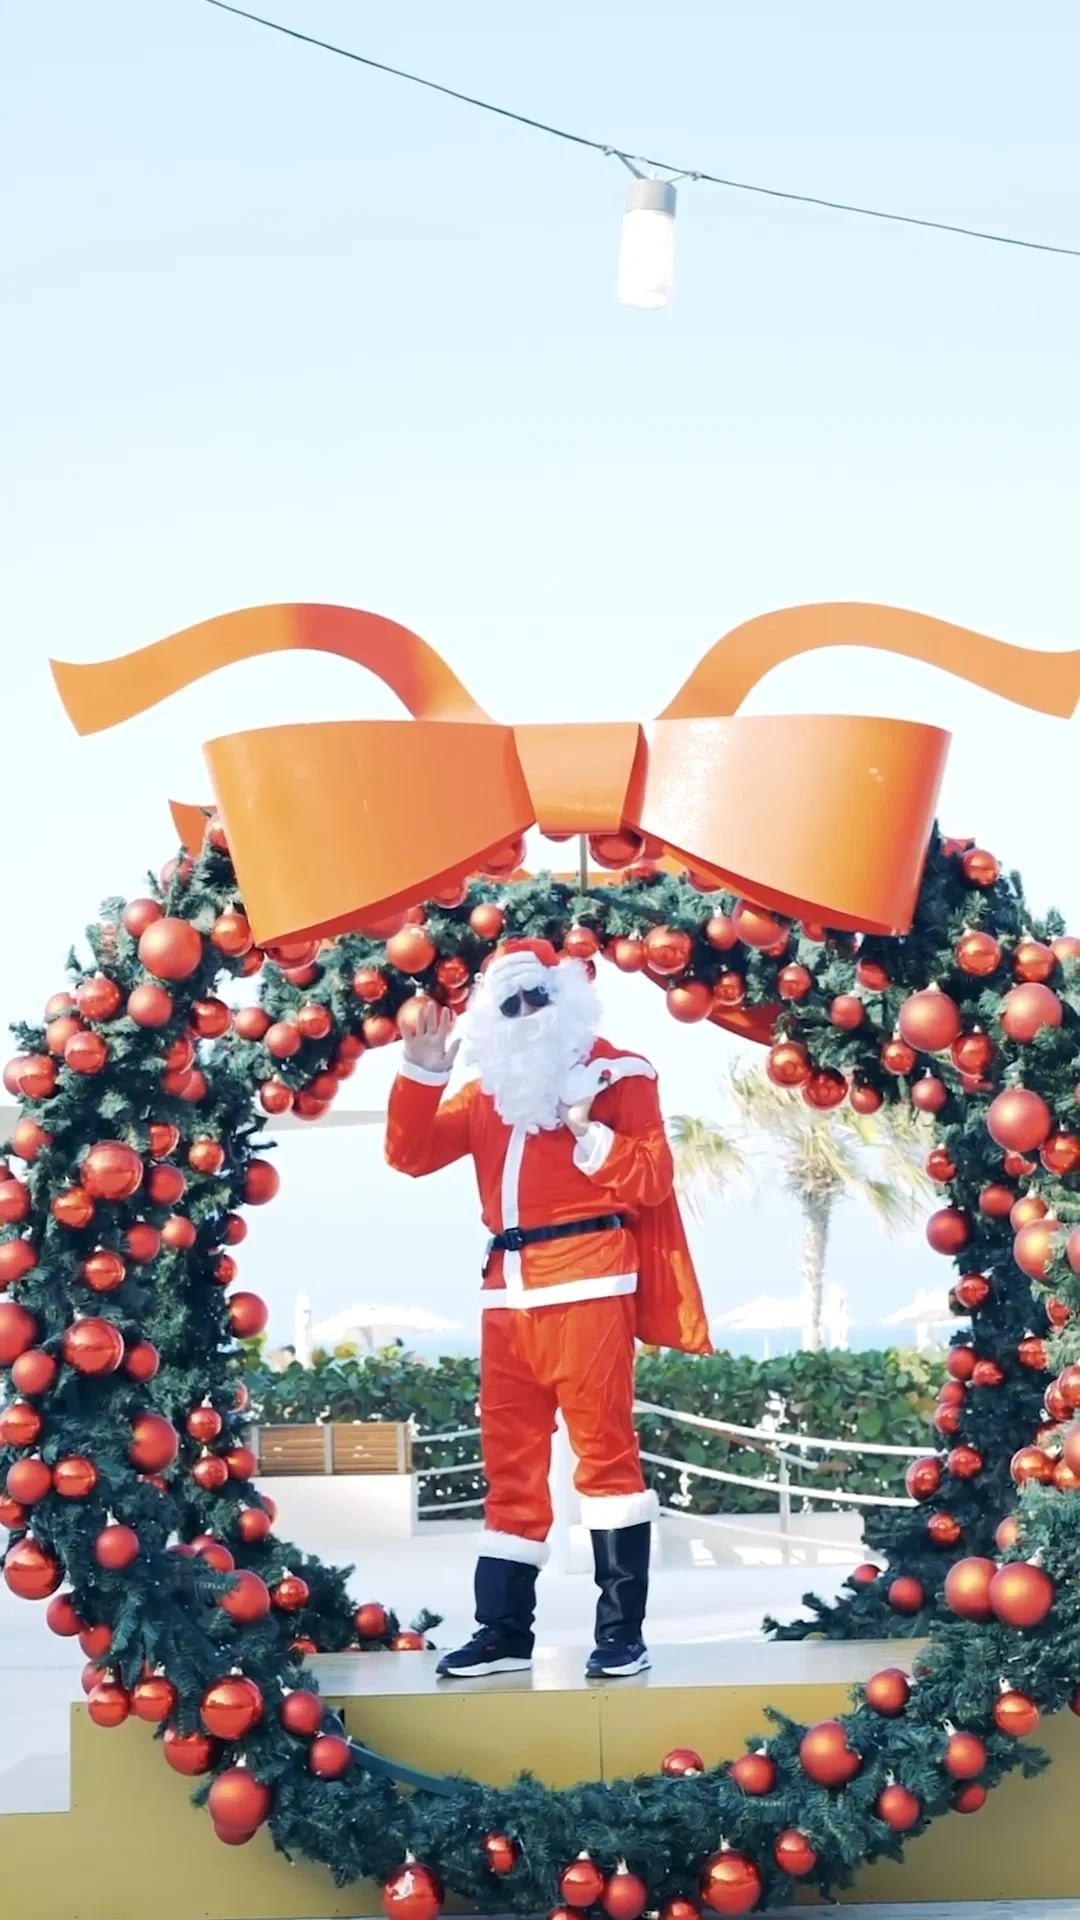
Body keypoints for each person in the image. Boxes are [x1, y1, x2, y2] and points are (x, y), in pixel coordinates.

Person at [385, 936, 710, 1680]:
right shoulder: (487, 1092)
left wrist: (584, 1125)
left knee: (606, 1459)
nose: (527, 1010)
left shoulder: (621, 1073)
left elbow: (652, 1179)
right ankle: (503, 1633)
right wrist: (421, 1072)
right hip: (506, 1295)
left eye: (539, 995)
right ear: (492, 1015)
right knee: (510, 1468)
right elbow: (409, 1155)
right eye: (511, 1001)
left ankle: (621, 1633)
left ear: (569, 998)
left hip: (590, 1283)